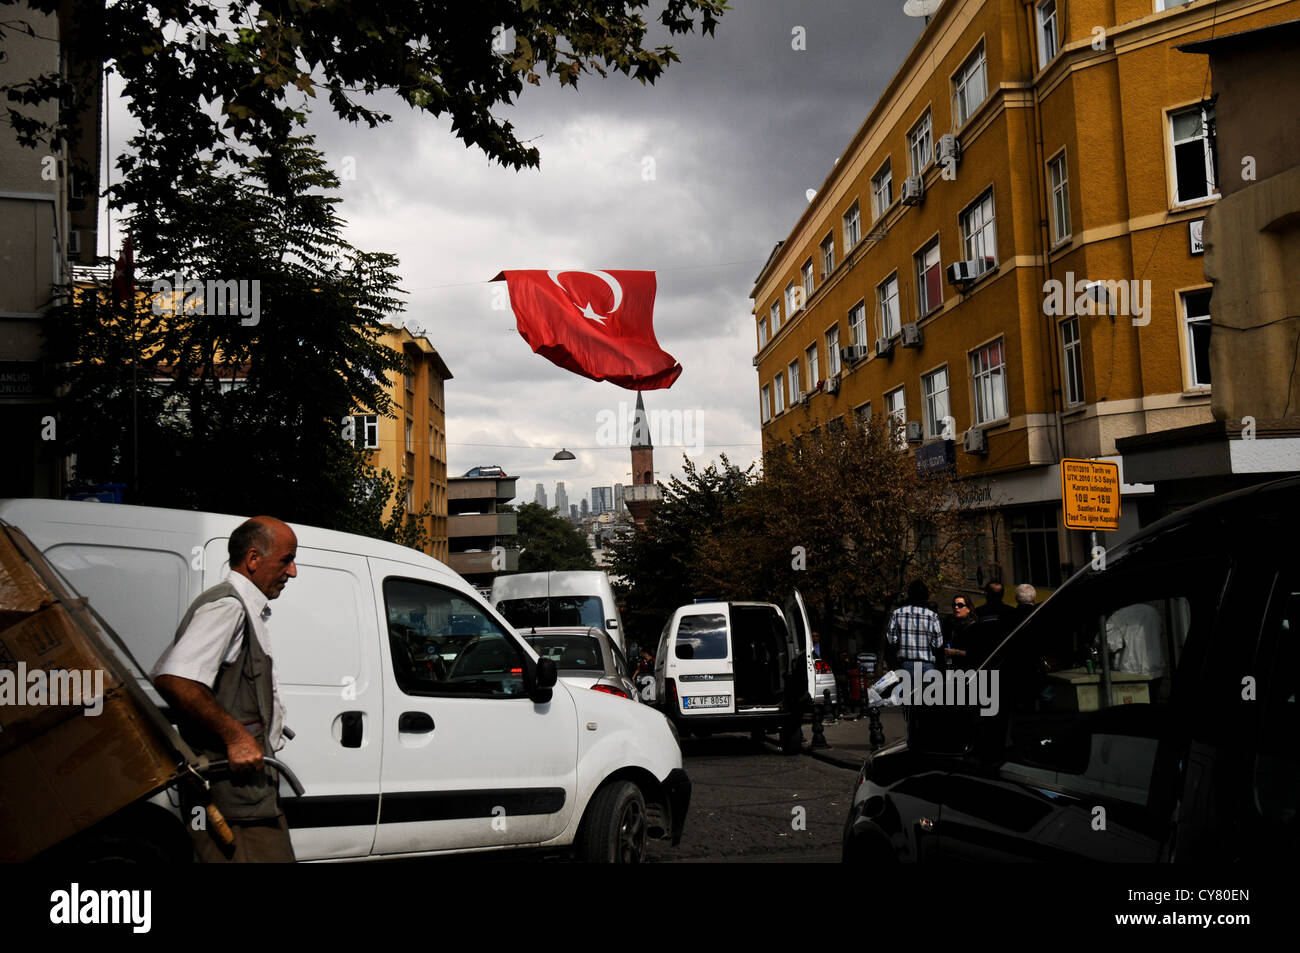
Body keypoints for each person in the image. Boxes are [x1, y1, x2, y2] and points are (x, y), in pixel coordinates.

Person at [152, 516, 299, 862]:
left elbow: (166, 669)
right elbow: (174, 678)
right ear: (252, 560)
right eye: (286, 560)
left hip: (246, 796)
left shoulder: (241, 606)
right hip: (236, 800)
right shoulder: (228, 606)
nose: (293, 572)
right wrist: (235, 736)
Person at [886, 580, 944, 690]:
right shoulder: (933, 616)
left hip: (906, 665)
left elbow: (891, 640)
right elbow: (938, 644)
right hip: (927, 665)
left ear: (909, 594)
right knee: (927, 702)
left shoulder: (897, 613)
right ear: (926, 596)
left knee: (908, 701)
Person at [943, 593, 978, 667]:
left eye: (960, 605)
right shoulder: (950, 624)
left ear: (968, 609)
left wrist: (956, 652)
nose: (956, 607)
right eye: (954, 605)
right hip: (951, 666)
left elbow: (975, 653)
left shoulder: (974, 626)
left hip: (968, 667)